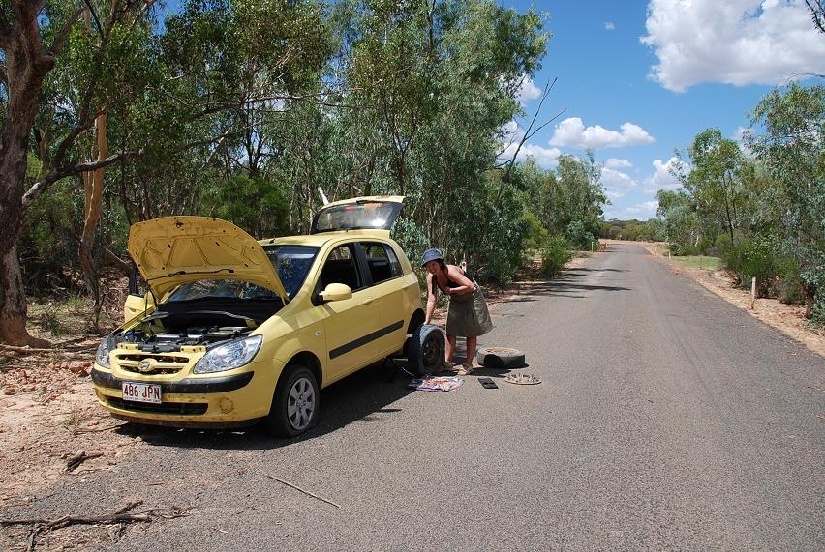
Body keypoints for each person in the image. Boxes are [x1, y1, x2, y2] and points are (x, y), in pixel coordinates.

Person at [421, 247, 493, 375]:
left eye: (434, 264)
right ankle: (447, 363)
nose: (431, 268)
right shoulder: (431, 277)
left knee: (470, 331)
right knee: (451, 330)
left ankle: (468, 364)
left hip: (471, 296)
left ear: (440, 263)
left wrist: (451, 290)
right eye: (428, 265)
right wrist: (427, 321)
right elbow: (432, 299)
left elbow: (470, 286)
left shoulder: (450, 272)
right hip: (456, 299)